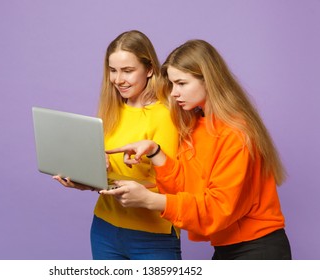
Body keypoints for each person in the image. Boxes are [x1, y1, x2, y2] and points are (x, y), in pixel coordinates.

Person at [101, 39, 292, 260]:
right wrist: (155, 152)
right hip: (226, 247)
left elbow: (217, 208)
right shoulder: (196, 125)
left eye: (181, 83)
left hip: (259, 251)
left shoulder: (236, 133)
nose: (173, 93)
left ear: (208, 80)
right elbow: (186, 189)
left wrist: (149, 200)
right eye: (172, 85)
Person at [53, 30, 182, 260]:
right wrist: (87, 179)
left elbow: (176, 185)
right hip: (104, 228)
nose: (118, 79)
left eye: (128, 71)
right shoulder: (111, 110)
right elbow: (110, 175)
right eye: (113, 70)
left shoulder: (167, 115)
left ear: (150, 69)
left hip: (152, 236)